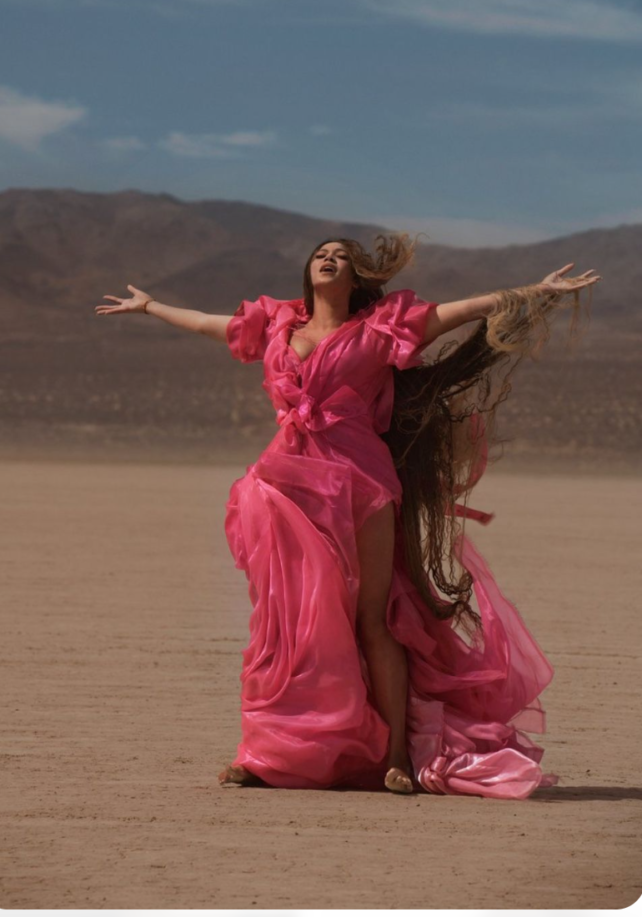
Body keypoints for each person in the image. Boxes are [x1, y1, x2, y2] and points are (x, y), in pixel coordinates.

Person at [95, 234, 600, 797]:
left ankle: (395, 756)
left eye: (339, 256)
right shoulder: (276, 323)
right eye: (319, 254)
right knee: (283, 623)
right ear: (308, 270)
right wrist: (152, 307)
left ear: (356, 277)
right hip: (285, 481)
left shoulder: (381, 327)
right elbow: (211, 324)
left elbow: (464, 310)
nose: (328, 259)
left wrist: (537, 290)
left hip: (359, 482)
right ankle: (263, 753)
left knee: (372, 619)